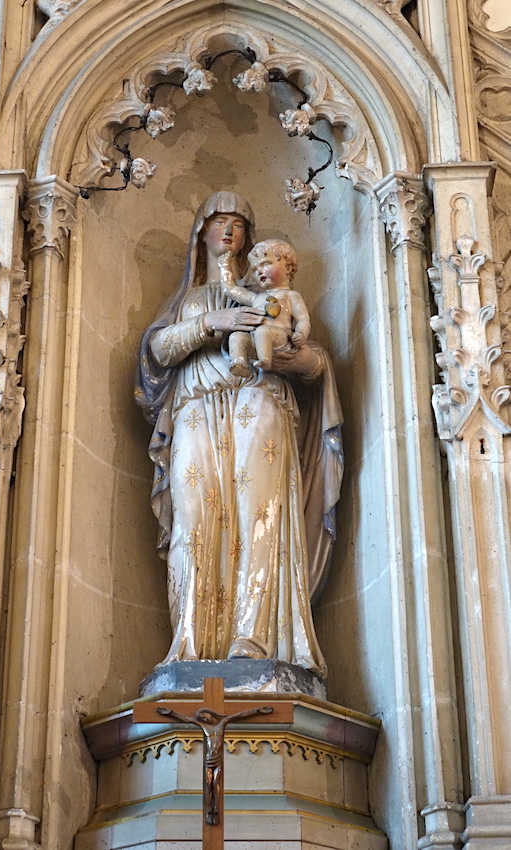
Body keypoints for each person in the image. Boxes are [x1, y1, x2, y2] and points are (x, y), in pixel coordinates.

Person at [135, 192, 343, 676]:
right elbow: (159, 351)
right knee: (194, 520)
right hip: (195, 407)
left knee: (260, 513)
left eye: (237, 224)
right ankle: (190, 644)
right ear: (201, 233)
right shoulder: (188, 299)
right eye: (218, 222)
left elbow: (312, 362)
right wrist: (214, 321)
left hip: (260, 399)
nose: (228, 231)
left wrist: (293, 355)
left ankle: (257, 638)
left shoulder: (272, 292)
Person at [218, 239, 311, 376]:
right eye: (255, 269)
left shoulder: (291, 295)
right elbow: (231, 290)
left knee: (263, 331)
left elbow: (303, 318)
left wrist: (301, 334)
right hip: (257, 339)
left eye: (265, 264)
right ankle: (239, 364)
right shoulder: (256, 298)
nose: (259, 271)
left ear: (288, 267)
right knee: (236, 336)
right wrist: (224, 267)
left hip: (281, 338)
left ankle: (265, 360)